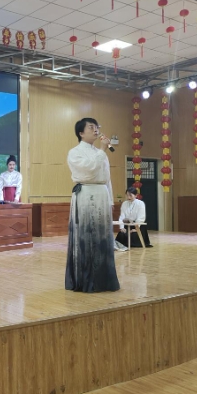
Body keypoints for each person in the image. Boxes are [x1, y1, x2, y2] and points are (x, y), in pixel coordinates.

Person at [65, 118, 120, 293]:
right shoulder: (75, 152)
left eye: (97, 127)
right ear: (81, 133)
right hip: (86, 193)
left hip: (102, 193)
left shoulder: (99, 152)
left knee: (103, 237)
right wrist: (102, 150)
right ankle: (86, 280)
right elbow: (89, 170)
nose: (96, 130)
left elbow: (107, 178)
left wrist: (110, 200)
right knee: (87, 236)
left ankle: (104, 280)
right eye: (91, 127)